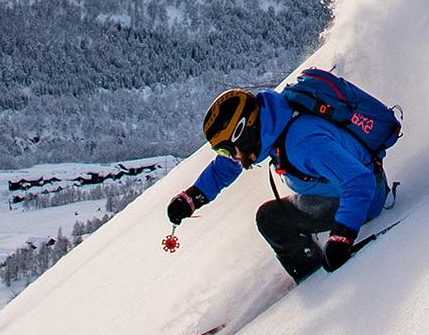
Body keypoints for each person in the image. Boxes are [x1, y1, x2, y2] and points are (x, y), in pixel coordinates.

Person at [166, 75, 395, 280]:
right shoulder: (274, 120)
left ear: (244, 134)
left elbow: (359, 181)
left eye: (226, 150)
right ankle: (313, 258)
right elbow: (225, 167)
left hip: (365, 199)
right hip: (334, 193)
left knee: (271, 220)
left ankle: (315, 279)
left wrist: (341, 238)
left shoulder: (302, 143)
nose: (229, 157)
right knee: (278, 215)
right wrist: (192, 198)